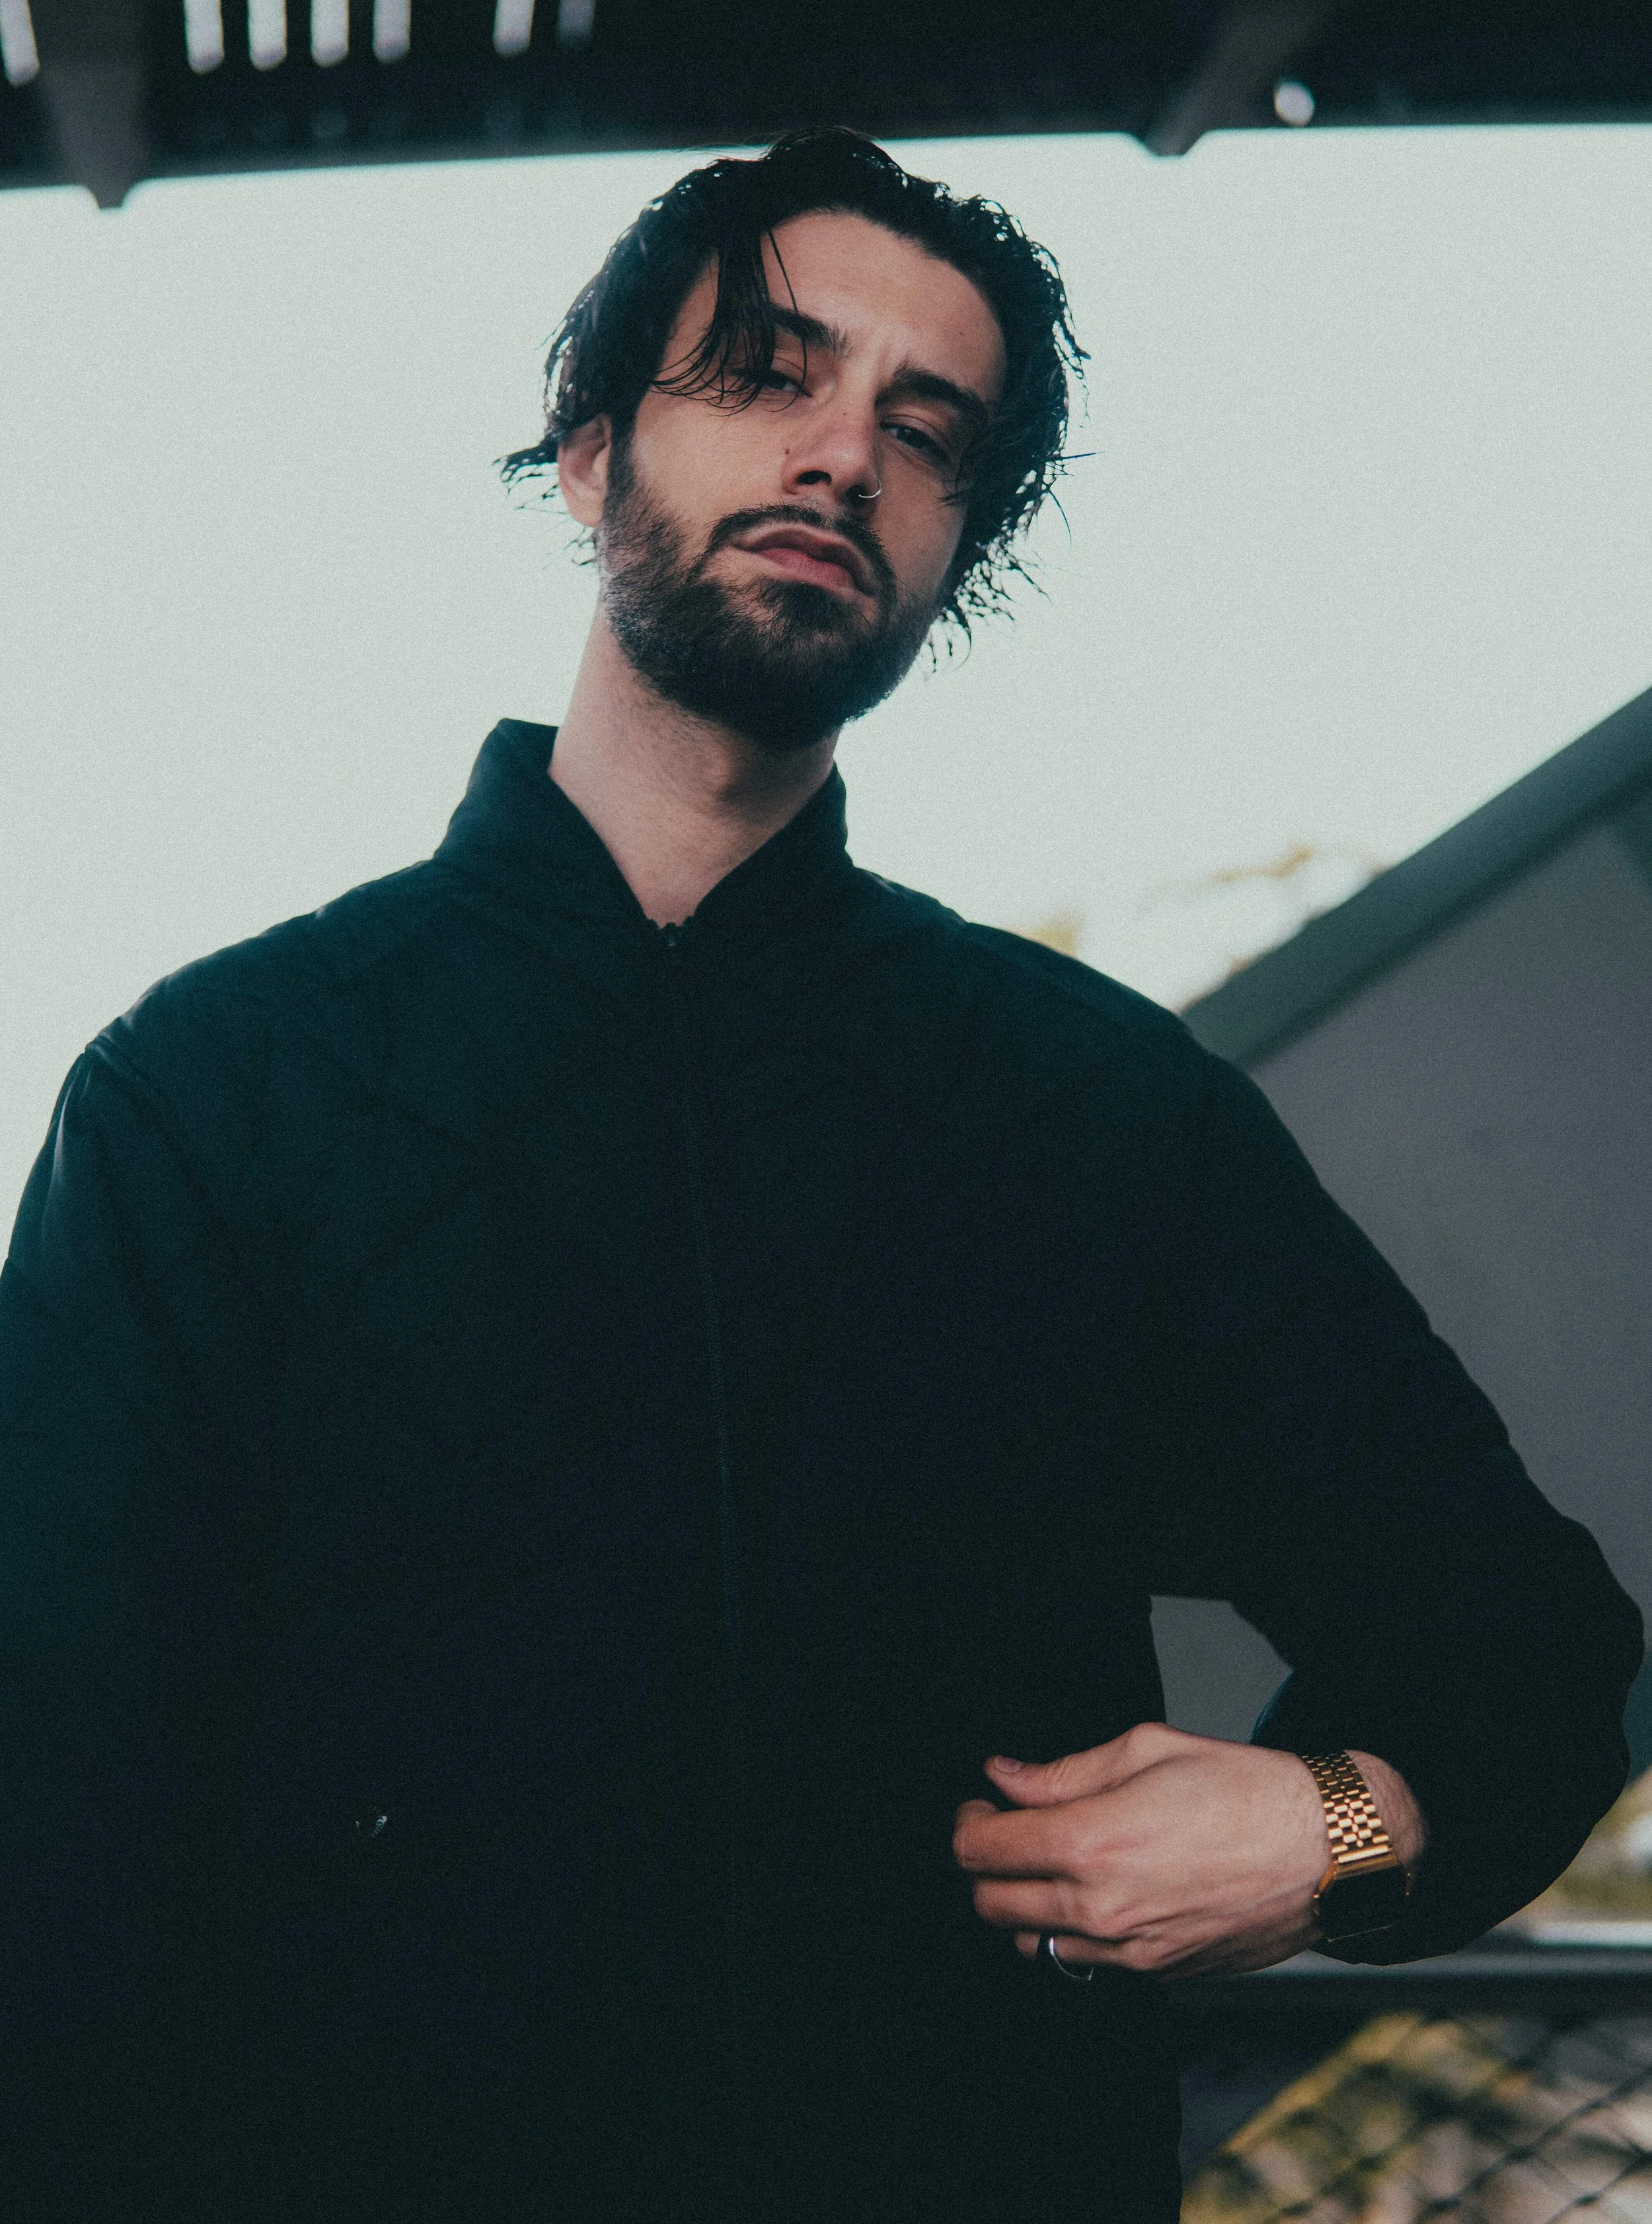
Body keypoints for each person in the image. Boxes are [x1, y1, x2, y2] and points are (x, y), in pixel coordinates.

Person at [0, 128, 1639, 2224]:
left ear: (958, 543)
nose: (845, 452)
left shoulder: (1086, 1110)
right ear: (589, 451)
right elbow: (45, 1832)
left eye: (924, 429)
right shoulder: (224, 1089)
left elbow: (1522, 1636)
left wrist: (1335, 1824)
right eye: (766, 373)